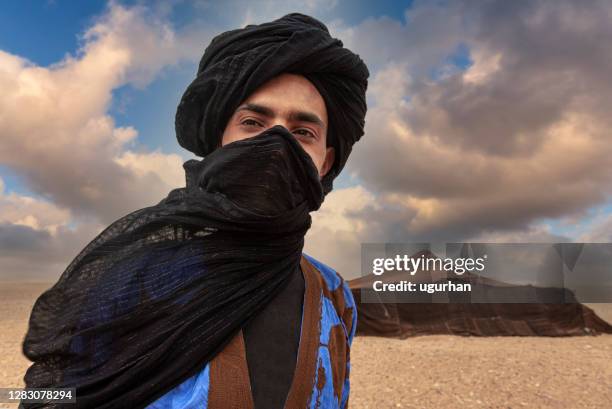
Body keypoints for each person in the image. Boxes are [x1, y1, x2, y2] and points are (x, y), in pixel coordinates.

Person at [20, 12, 368, 409]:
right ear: (219, 141)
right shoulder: (133, 276)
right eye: (253, 123)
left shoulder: (334, 295)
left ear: (324, 162)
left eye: (303, 132)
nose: (276, 145)